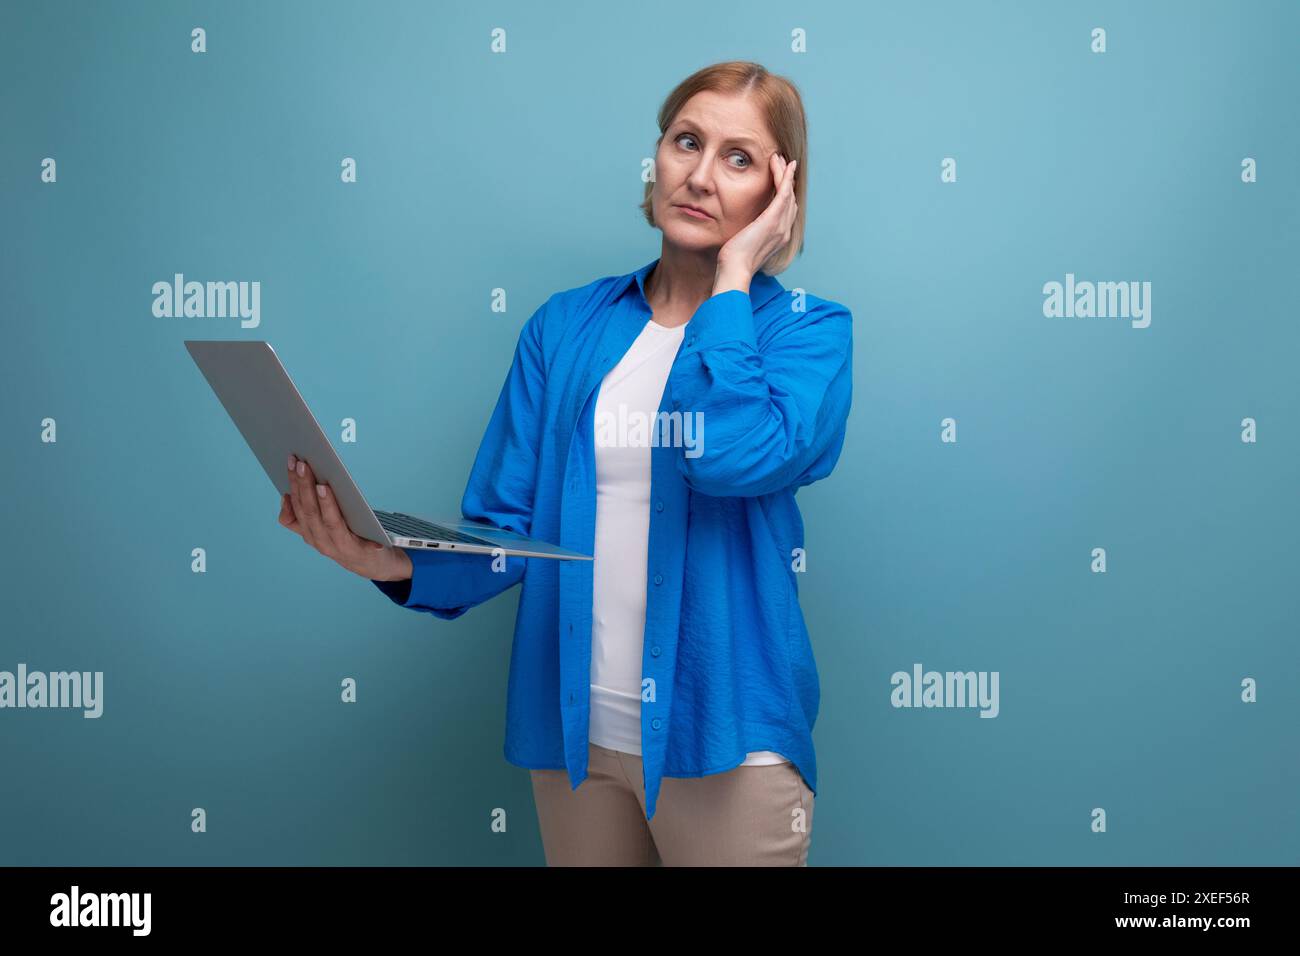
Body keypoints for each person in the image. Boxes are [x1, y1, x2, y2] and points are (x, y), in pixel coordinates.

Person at [277, 60, 853, 866]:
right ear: (656, 154)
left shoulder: (807, 333)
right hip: (576, 743)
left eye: (739, 158)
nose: (698, 173)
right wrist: (389, 560)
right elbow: (508, 529)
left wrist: (731, 283)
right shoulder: (564, 327)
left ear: (779, 193)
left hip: (726, 742)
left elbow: (732, 455)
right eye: (687, 141)